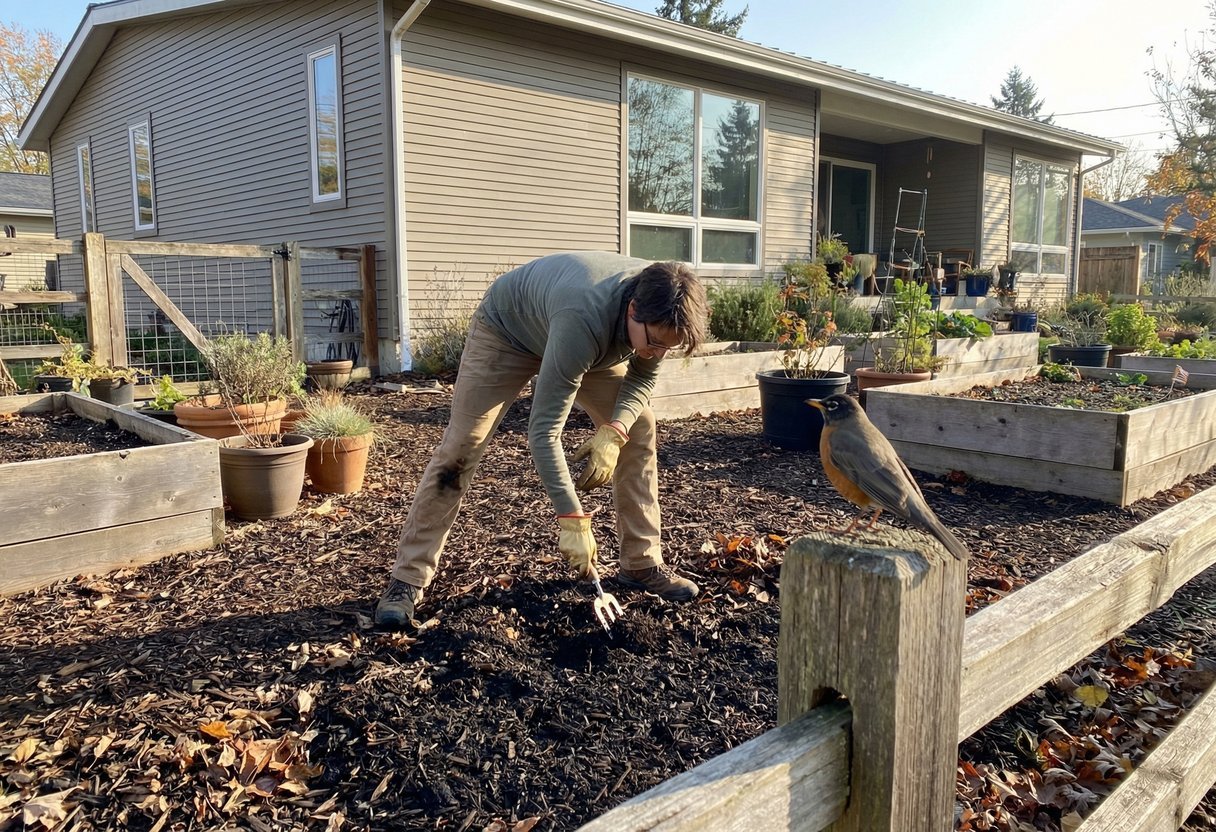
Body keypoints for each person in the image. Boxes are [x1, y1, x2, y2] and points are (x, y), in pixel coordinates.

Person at [374, 251, 709, 628]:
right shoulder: (586, 316)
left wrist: (615, 433)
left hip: (585, 342)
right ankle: (407, 579)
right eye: (656, 343)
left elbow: (643, 377)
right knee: (462, 447)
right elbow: (544, 430)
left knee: (639, 427)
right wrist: (572, 520)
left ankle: (642, 563)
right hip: (507, 333)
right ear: (633, 310)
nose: (658, 353)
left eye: (669, 347)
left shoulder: (663, 310)